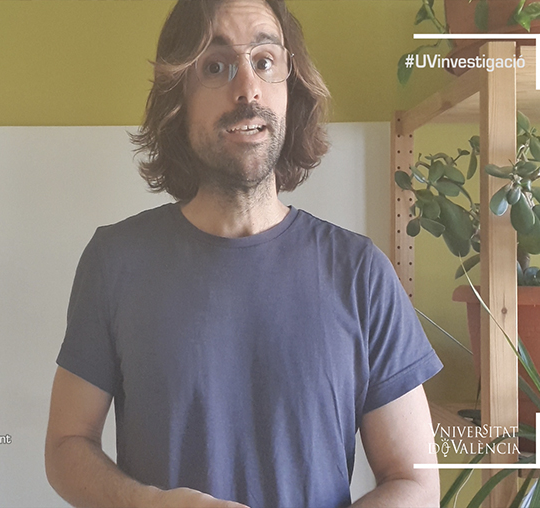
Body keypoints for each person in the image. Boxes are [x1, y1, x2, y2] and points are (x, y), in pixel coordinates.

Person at [45, 0, 442, 506]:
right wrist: (147, 504)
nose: (248, 88)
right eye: (216, 66)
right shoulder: (114, 261)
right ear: (178, 96)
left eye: (264, 60)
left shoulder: (360, 273)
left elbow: (415, 483)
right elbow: (66, 445)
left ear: (290, 86)